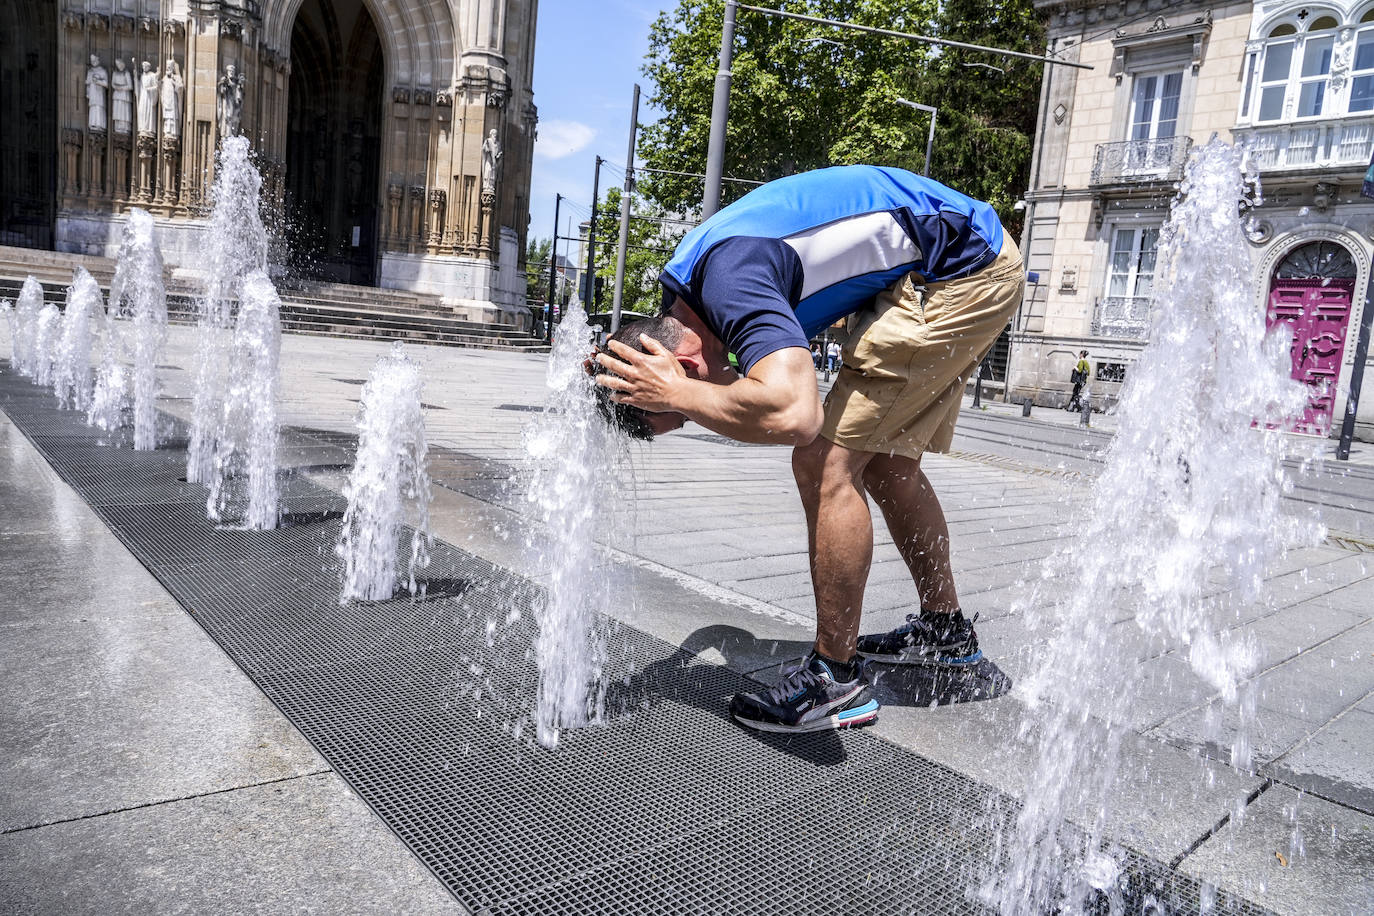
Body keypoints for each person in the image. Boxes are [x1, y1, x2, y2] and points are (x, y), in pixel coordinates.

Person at [592, 164, 1023, 734]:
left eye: (683, 413)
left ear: (683, 363)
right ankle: (945, 633)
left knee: (824, 461)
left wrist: (680, 394)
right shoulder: (697, 290)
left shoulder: (728, 286)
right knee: (887, 463)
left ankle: (835, 680)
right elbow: (715, 638)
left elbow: (796, 413)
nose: (697, 411)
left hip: (960, 270)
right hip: (968, 257)